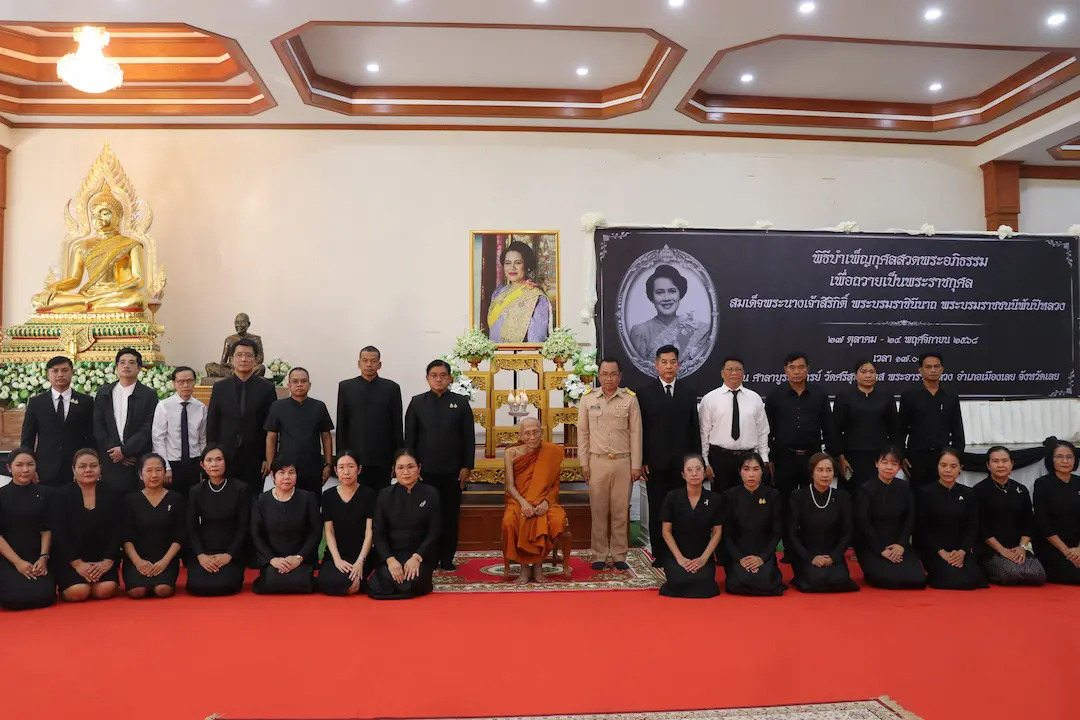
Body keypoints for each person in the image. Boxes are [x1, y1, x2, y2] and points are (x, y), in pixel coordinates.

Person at [765, 352, 839, 562]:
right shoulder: (775, 396)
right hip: (784, 458)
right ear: (785, 370)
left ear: (808, 369)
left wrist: (831, 457)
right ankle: (790, 550)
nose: (797, 371)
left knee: (812, 505)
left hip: (812, 458)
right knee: (786, 505)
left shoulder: (819, 395)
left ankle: (810, 549)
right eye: (792, 367)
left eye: (801, 367)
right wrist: (769, 458)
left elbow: (829, 428)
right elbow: (767, 431)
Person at [404, 359, 475, 571]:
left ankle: (447, 558)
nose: (438, 379)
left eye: (443, 375)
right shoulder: (417, 403)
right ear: (427, 378)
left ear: (450, 378)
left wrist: (466, 466)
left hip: (453, 472)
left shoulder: (460, 403)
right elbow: (410, 439)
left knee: (449, 516)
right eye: (434, 375)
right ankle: (428, 557)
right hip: (425, 472)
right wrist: (412, 467)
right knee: (425, 516)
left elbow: (468, 438)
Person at [636, 345, 700, 567]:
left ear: (678, 365)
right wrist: (642, 460)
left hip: (683, 465)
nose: (668, 366)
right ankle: (660, 554)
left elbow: (694, 429)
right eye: (664, 362)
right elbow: (641, 430)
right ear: (656, 365)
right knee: (658, 509)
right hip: (656, 463)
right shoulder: (644, 393)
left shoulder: (688, 392)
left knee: (682, 509)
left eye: (673, 362)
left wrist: (696, 462)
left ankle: (679, 553)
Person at [577, 357, 642, 571]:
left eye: (613, 374)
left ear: (620, 376)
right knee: (598, 511)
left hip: (623, 462)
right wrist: (584, 463)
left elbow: (636, 433)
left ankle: (619, 554)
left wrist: (636, 464)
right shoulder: (588, 399)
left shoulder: (630, 399)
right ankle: (599, 554)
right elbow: (583, 433)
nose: (609, 378)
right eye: (604, 374)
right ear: (599, 376)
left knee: (620, 511)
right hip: (597, 462)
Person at [207, 337, 277, 502]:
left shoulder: (267, 388)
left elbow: (271, 426)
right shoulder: (220, 388)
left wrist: (267, 458)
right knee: (225, 500)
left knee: (252, 500)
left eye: (248, 355)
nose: (243, 359)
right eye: (239, 355)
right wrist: (212, 454)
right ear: (231, 359)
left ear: (256, 360)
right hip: (225, 454)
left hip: (255, 457)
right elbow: (212, 423)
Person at [501, 418, 571, 583]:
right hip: (518, 500)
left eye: (535, 432)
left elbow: (554, 484)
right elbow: (509, 486)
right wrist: (524, 503)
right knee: (510, 521)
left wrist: (546, 503)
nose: (532, 437)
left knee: (556, 519)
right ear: (520, 435)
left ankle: (538, 566)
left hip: (545, 500)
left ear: (542, 433)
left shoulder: (551, 452)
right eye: (527, 433)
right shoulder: (511, 453)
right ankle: (524, 567)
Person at [50, 449, 122, 602]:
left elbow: (118, 530)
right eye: (82, 466)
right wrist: (77, 564)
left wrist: (108, 561)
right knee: (78, 592)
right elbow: (59, 533)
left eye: (93, 466)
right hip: (71, 559)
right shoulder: (60, 495)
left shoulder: (112, 494)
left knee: (104, 590)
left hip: (103, 559)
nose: (88, 470)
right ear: (73, 469)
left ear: (100, 468)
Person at [367, 450, 441, 599]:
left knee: (413, 579)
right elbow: (378, 533)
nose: (405, 472)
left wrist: (417, 557)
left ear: (419, 468)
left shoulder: (431, 493)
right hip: (393, 555)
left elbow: (434, 531)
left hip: (418, 556)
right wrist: (390, 560)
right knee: (383, 580)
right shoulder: (385, 495)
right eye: (400, 467)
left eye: (410, 467)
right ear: (394, 470)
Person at [915, 448, 988, 590]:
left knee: (975, 579)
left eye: (953, 466)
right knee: (951, 579)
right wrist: (941, 552)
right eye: (943, 465)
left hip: (960, 550)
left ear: (960, 468)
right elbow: (922, 529)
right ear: (937, 466)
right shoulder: (925, 493)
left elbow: (972, 526)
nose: (948, 470)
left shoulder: (969, 493)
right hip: (935, 550)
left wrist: (962, 551)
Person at [854, 446, 926, 590]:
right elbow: (863, 522)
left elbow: (910, 518)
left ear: (899, 467)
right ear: (876, 463)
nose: (889, 467)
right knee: (886, 579)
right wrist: (881, 549)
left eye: (894, 463)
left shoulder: (904, 487)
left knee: (917, 579)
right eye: (885, 462)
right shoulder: (866, 489)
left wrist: (901, 545)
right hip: (873, 545)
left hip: (898, 544)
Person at [972, 446, 1046, 586]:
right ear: (988, 465)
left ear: (1012, 464)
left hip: (1017, 547)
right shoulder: (979, 490)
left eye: (1004, 461)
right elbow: (980, 526)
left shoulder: (1021, 489)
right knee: (1010, 574)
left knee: (1038, 575)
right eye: (995, 461)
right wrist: (1002, 550)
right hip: (991, 549)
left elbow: (1028, 522)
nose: (1000, 465)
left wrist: (1022, 547)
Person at [20, 355, 95, 487]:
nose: (60, 374)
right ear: (48, 374)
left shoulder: (86, 402)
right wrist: (28, 466)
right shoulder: (37, 403)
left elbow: (92, 436)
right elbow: (28, 438)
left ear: (72, 372)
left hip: (77, 468)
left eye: (65, 370)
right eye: (55, 371)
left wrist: (92, 463)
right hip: (44, 469)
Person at [336, 346, 403, 492]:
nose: (369, 365)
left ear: (379, 364)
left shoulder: (391, 388)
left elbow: (397, 425)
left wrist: (398, 458)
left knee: (382, 497)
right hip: (354, 457)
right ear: (359, 363)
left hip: (383, 457)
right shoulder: (346, 387)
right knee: (357, 497)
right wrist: (341, 457)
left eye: (373, 361)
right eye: (365, 361)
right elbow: (342, 424)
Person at [787, 453, 858, 593]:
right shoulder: (798, 496)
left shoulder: (842, 497)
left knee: (839, 581)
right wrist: (810, 557)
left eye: (829, 470)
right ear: (812, 473)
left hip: (832, 554)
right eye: (820, 470)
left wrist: (833, 557)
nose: (825, 475)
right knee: (815, 581)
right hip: (807, 554)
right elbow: (792, 533)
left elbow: (848, 531)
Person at [699, 356, 770, 495]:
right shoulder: (710, 399)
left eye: (738, 369)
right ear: (722, 373)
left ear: (743, 373)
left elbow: (762, 431)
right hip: (720, 459)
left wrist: (764, 459)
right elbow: (703, 433)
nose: (734, 373)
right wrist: (705, 462)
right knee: (721, 499)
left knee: (747, 500)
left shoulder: (754, 398)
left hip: (748, 459)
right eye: (730, 369)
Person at [250, 456, 321, 594]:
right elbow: (255, 534)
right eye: (281, 472)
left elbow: (315, 532)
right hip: (273, 559)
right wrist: (272, 559)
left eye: (291, 472)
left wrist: (299, 558)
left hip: (300, 559)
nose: (286, 477)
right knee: (270, 583)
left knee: (302, 583)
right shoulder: (261, 501)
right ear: (272, 475)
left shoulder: (308, 498)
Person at [185, 446, 248, 596]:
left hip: (231, 550)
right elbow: (191, 526)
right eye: (209, 460)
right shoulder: (196, 491)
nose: (214, 464)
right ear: (202, 465)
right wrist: (201, 555)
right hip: (205, 550)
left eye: (219, 459)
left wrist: (229, 554)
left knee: (226, 585)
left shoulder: (240, 488)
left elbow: (244, 525)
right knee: (196, 586)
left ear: (226, 462)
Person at [93, 348, 159, 494]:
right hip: (111, 460)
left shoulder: (149, 395)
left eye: (131, 363)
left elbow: (149, 426)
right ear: (117, 367)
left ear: (139, 368)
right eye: (122, 362)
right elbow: (98, 425)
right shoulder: (104, 393)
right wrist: (115, 451)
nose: (126, 366)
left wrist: (125, 451)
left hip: (138, 458)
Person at [658, 454, 722, 598]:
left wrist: (703, 559)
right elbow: (666, 532)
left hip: (702, 553)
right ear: (683, 474)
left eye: (698, 469)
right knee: (678, 581)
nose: (694, 473)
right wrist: (680, 558)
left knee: (704, 585)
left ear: (704, 473)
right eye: (689, 470)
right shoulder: (672, 497)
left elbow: (717, 532)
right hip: (677, 554)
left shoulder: (714, 499)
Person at [121, 454, 185, 598]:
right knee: (137, 591)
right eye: (149, 470)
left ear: (165, 472)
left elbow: (179, 535)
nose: (154, 475)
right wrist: (138, 562)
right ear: (140, 475)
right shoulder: (130, 500)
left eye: (158, 470)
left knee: (163, 590)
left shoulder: (176, 499)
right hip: (137, 558)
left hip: (165, 558)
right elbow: (126, 536)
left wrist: (164, 562)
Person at [0, 449, 57, 610]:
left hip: (36, 556)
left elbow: (47, 529)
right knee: (13, 598)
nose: (25, 470)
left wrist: (43, 558)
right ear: (9, 468)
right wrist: (18, 563)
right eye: (19, 465)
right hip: (9, 557)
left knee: (44, 596)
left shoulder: (45, 493)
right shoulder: (2, 495)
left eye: (30, 464)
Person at [265, 367, 334, 499]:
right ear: (289, 385)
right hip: (286, 467)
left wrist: (328, 464)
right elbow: (271, 437)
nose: (299, 385)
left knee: (313, 502)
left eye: (303, 381)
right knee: (287, 501)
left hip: (313, 466)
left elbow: (326, 436)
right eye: (295, 381)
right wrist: (270, 464)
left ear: (309, 385)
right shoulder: (278, 407)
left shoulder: (319, 407)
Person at [722, 453, 786, 596]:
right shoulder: (730, 495)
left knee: (767, 582)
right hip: (739, 553)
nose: (751, 474)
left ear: (762, 471)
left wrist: (762, 557)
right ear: (740, 472)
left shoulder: (773, 495)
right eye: (746, 469)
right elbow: (726, 534)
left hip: (763, 552)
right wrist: (740, 558)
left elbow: (777, 532)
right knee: (738, 582)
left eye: (756, 469)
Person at [898, 352, 965, 487]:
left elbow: (957, 429)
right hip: (917, 458)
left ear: (942, 369)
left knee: (943, 495)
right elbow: (900, 429)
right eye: (928, 367)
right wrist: (901, 456)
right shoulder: (909, 396)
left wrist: (957, 457)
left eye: (936, 366)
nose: (933, 370)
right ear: (920, 370)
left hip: (943, 458)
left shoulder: (950, 396)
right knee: (918, 496)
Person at [833, 359, 898, 493]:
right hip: (852, 457)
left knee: (879, 494)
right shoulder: (844, 397)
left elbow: (895, 429)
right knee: (853, 494)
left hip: (880, 457)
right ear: (855, 375)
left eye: (872, 372)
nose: (868, 375)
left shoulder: (887, 397)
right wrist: (840, 458)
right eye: (863, 372)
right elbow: (835, 430)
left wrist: (893, 457)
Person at [319, 451, 375, 596]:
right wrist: (337, 560)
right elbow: (329, 532)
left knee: (353, 583)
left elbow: (369, 532)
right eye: (341, 467)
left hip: (361, 555)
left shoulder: (368, 494)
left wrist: (360, 561)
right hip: (336, 554)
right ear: (336, 470)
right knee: (325, 581)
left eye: (351, 466)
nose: (346, 472)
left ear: (359, 469)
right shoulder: (328, 496)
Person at [629, 264, 710, 364]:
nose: (666, 298)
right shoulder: (640, 332)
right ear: (652, 297)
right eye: (660, 292)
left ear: (680, 294)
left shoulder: (697, 329)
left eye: (672, 291)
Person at [151, 366, 207, 497]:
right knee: (173, 500)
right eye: (181, 382)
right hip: (172, 462)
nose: (185, 385)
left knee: (193, 499)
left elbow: (203, 439)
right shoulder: (164, 406)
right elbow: (158, 438)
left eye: (189, 381)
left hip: (194, 461)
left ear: (195, 382)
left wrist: (203, 466)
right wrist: (165, 466)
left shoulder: (201, 407)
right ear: (174, 384)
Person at [1032, 439, 1080, 585]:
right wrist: (1067, 552)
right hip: (1053, 545)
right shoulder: (1042, 484)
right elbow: (1043, 523)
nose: (1065, 461)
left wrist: (1079, 549)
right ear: (1051, 459)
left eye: (1069, 457)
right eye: (1059, 457)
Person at [486, 240, 551, 343]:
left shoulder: (537, 297)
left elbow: (536, 340)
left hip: (520, 352)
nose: (512, 267)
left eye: (518, 263)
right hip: (494, 351)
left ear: (527, 266)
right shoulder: (498, 292)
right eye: (507, 263)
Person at [205, 312, 267, 378]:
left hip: (248, 367)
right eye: (237, 322)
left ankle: (237, 375)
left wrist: (246, 363)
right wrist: (234, 364)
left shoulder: (256, 339)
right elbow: (223, 361)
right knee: (209, 366)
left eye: (242, 322)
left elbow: (260, 358)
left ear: (248, 324)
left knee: (261, 367)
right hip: (232, 368)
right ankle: (239, 375)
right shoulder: (229, 339)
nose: (239, 325)